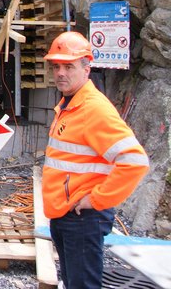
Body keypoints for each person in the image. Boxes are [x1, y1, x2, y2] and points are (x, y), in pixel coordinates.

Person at [42, 31, 149, 288]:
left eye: (69, 66)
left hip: (82, 219)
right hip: (66, 216)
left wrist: (97, 199)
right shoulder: (71, 106)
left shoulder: (93, 109)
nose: (60, 73)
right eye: (56, 66)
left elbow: (135, 161)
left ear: (86, 68)